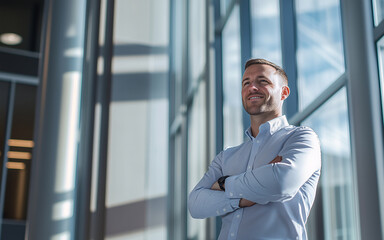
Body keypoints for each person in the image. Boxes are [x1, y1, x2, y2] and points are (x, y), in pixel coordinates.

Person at [188, 58, 321, 240]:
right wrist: (243, 199)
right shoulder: (226, 156)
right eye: (246, 83)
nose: (252, 88)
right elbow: (195, 204)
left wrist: (223, 183)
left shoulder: (302, 138)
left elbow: (281, 183)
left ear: (284, 92)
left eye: (262, 81)